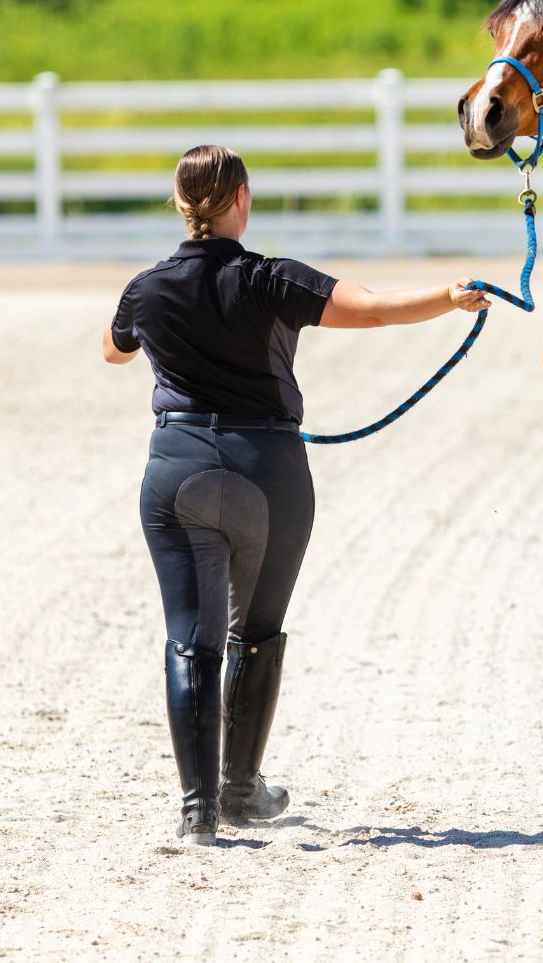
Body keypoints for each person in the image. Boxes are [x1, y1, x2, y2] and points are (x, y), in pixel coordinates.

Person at [103, 145, 490, 846]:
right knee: (254, 634)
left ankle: (199, 812)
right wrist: (447, 296)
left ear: (179, 202)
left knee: (190, 640)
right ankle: (241, 787)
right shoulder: (271, 278)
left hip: (179, 465)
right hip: (268, 471)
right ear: (242, 198)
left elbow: (113, 348)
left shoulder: (146, 287)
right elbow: (369, 310)